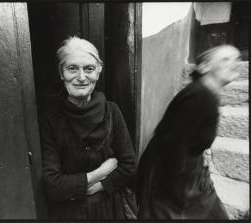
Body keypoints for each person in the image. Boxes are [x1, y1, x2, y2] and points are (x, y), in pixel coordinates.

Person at [136, 45, 241, 219]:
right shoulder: (200, 96)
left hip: (185, 171)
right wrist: (179, 195)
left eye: (236, 59)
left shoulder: (205, 93)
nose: (234, 64)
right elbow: (175, 144)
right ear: (204, 66)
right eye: (225, 59)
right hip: (172, 177)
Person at [39, 36, 136, 219]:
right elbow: (53, 184)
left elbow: (128, 165)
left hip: (109, 209)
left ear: (98, 72)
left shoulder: (112, 111)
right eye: (72, 68)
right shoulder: (50, 120)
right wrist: (101, 172)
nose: (81, 77)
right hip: (70, 213)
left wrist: (97, 187)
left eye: (89, 69)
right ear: (61, 73)